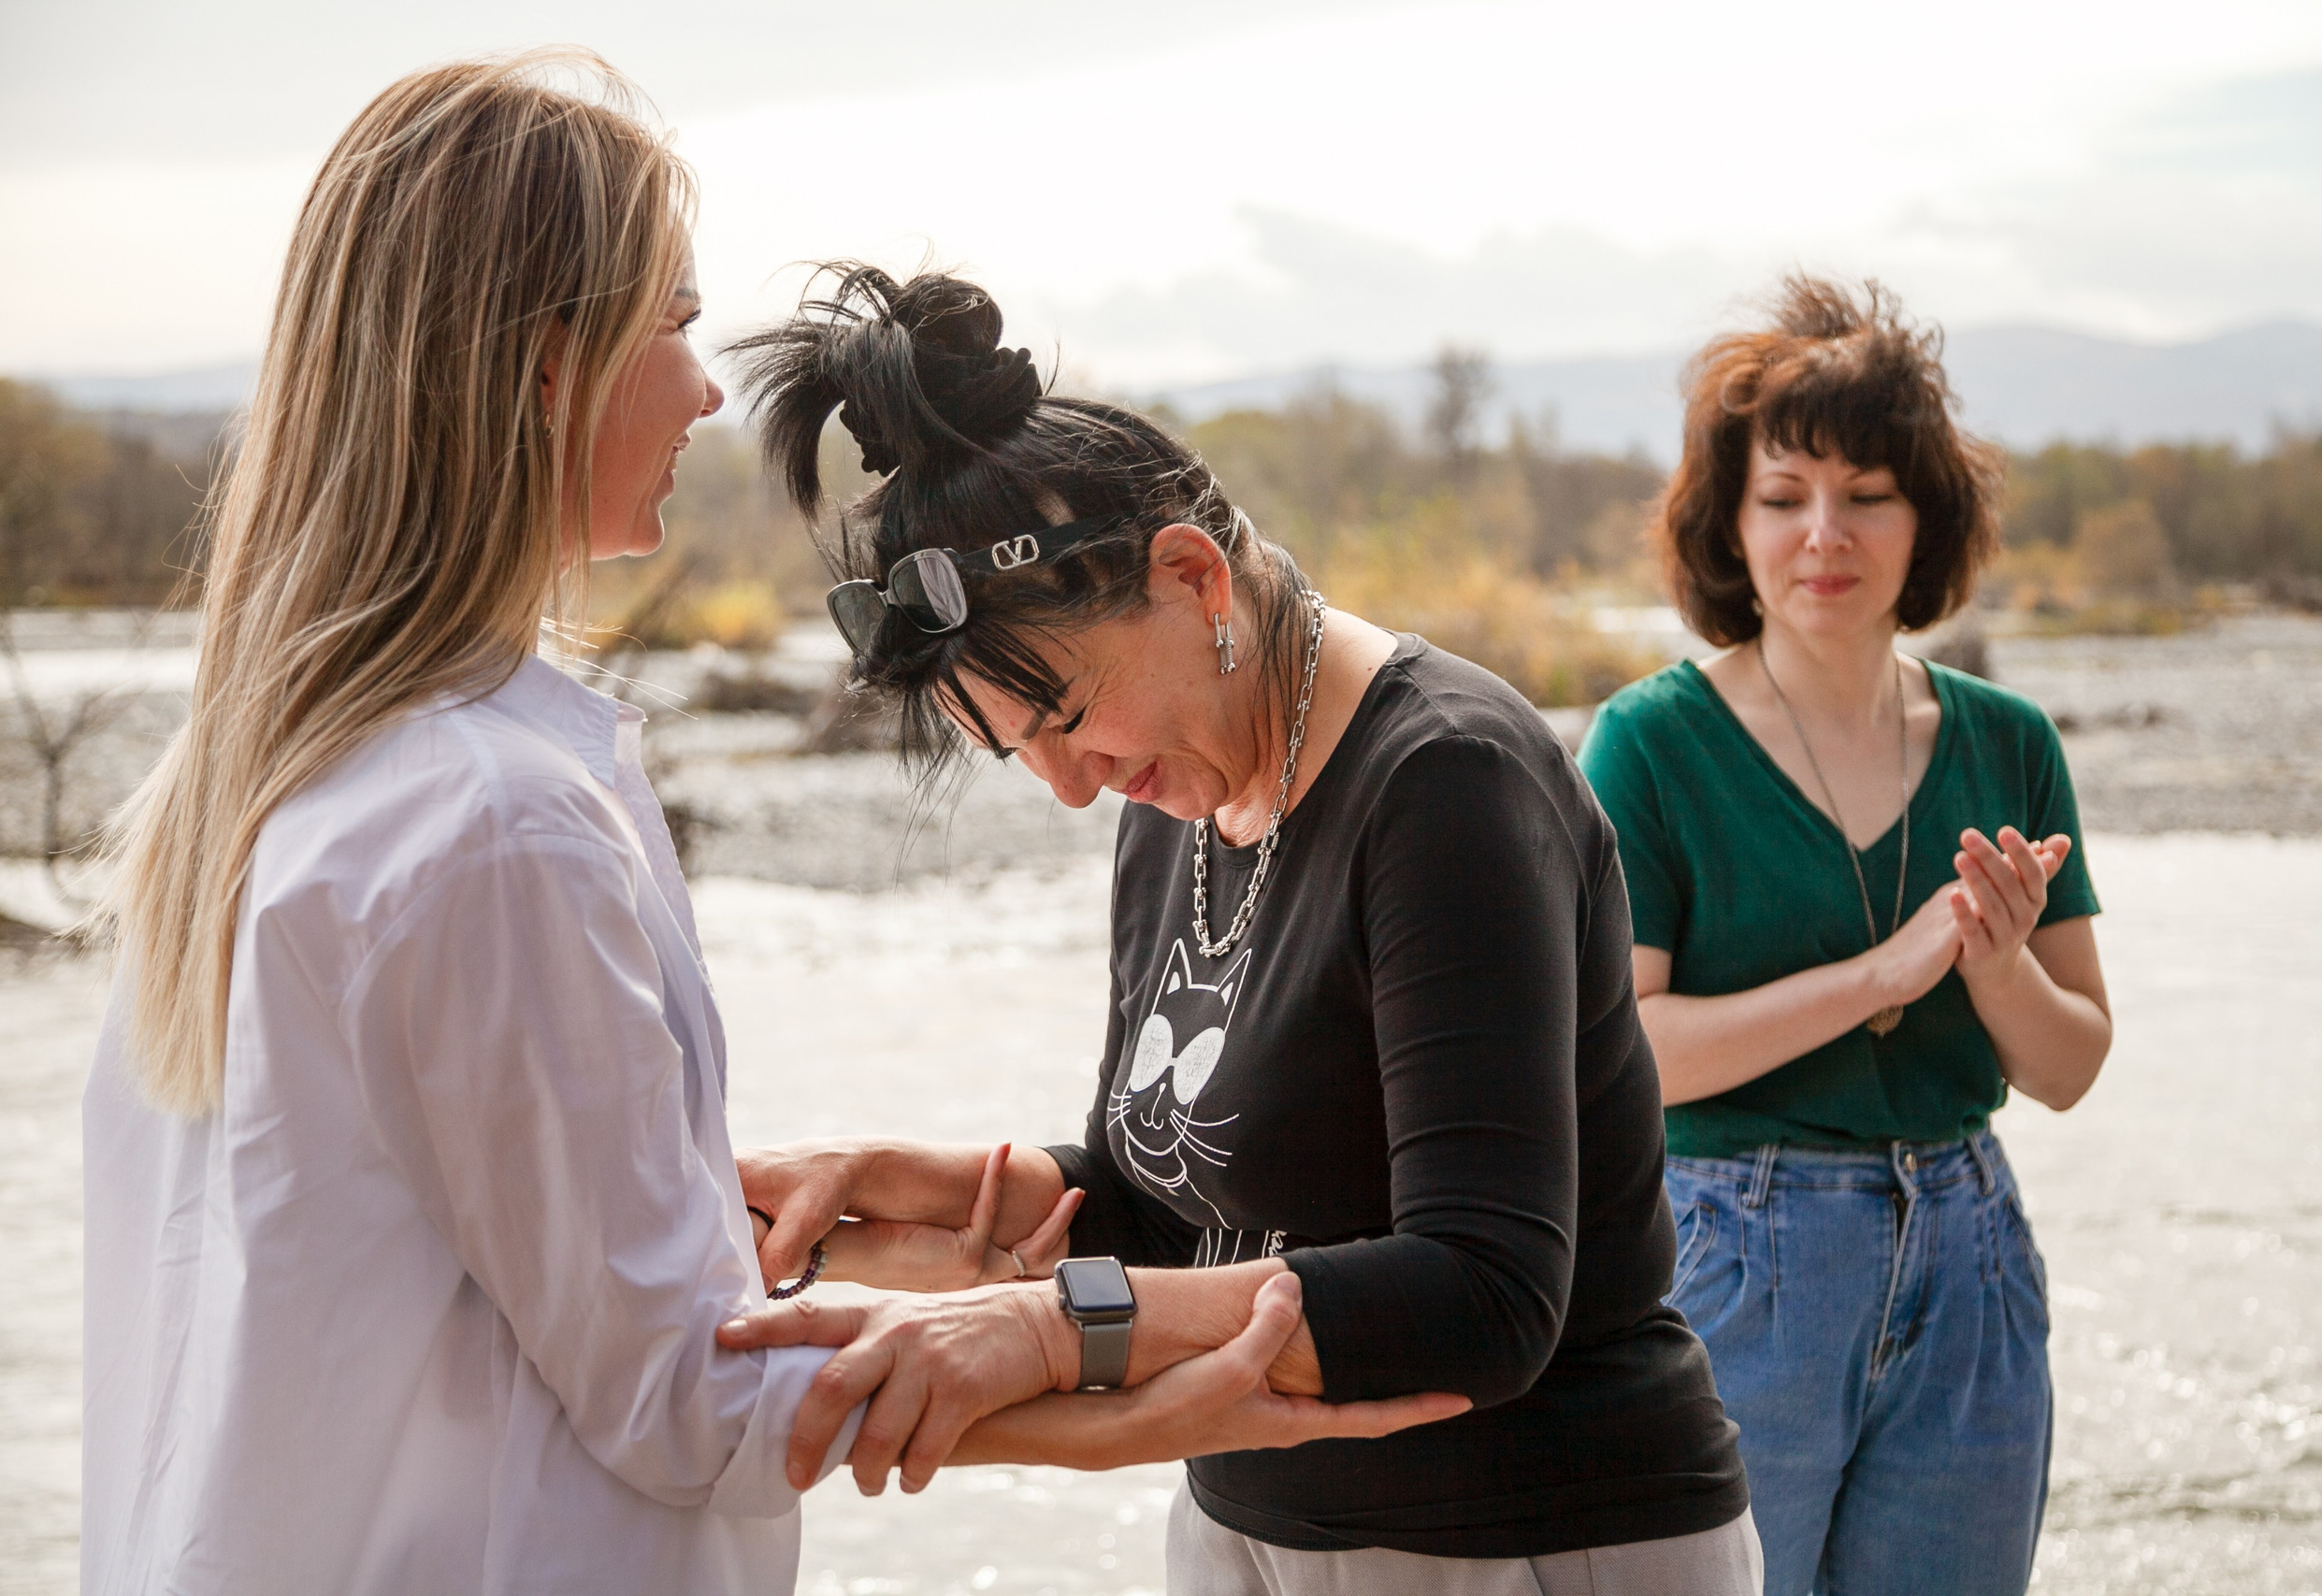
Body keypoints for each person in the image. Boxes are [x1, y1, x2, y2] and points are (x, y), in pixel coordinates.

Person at [79, 57, 1428, 1596]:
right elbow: (679, 1403)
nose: (708, 390)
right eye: (670, 323)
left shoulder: (260, 770)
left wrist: (872, 1251)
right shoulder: (493, 820)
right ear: (541, 363)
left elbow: (462, 1260)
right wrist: (1103, 1407)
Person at [717, 264, 1763, 1596]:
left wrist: (1043, 1333)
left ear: (1193, 577)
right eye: (1016, 749)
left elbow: (1482, 1298)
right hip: (1248, 1530)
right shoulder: (1178, 796)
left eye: (1067, 716)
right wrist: (874, 1190)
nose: (1069, 782)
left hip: (1533, 1536)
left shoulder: (1448, 785)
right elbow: (1162, 1216)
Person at [1575, 277, 2113, 1596]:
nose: (1828, 533)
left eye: (1868, 492)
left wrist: (1991, 965)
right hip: (1734, 1253)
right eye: (1785, 496)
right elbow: (1626, 1055)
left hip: (1971, 1252)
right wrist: (1877, 976)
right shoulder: (1647, 744)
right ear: (1730, 524)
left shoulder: (2009, 742)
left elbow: (2071, 1064)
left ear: (1925, 518)